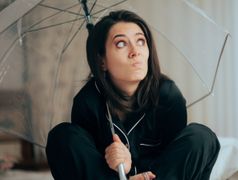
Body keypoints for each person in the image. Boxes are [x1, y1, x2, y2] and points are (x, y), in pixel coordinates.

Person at [46, 10, 220, 180]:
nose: (135, 51)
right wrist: (122, 166)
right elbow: (88, 164)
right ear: (102, 61)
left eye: (141, 41)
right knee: (62, 136)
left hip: (158, 176)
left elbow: (174, 160)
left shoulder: (168, 96)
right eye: (121, 44)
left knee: (202, 136)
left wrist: (136, 169)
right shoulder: (87, 103)